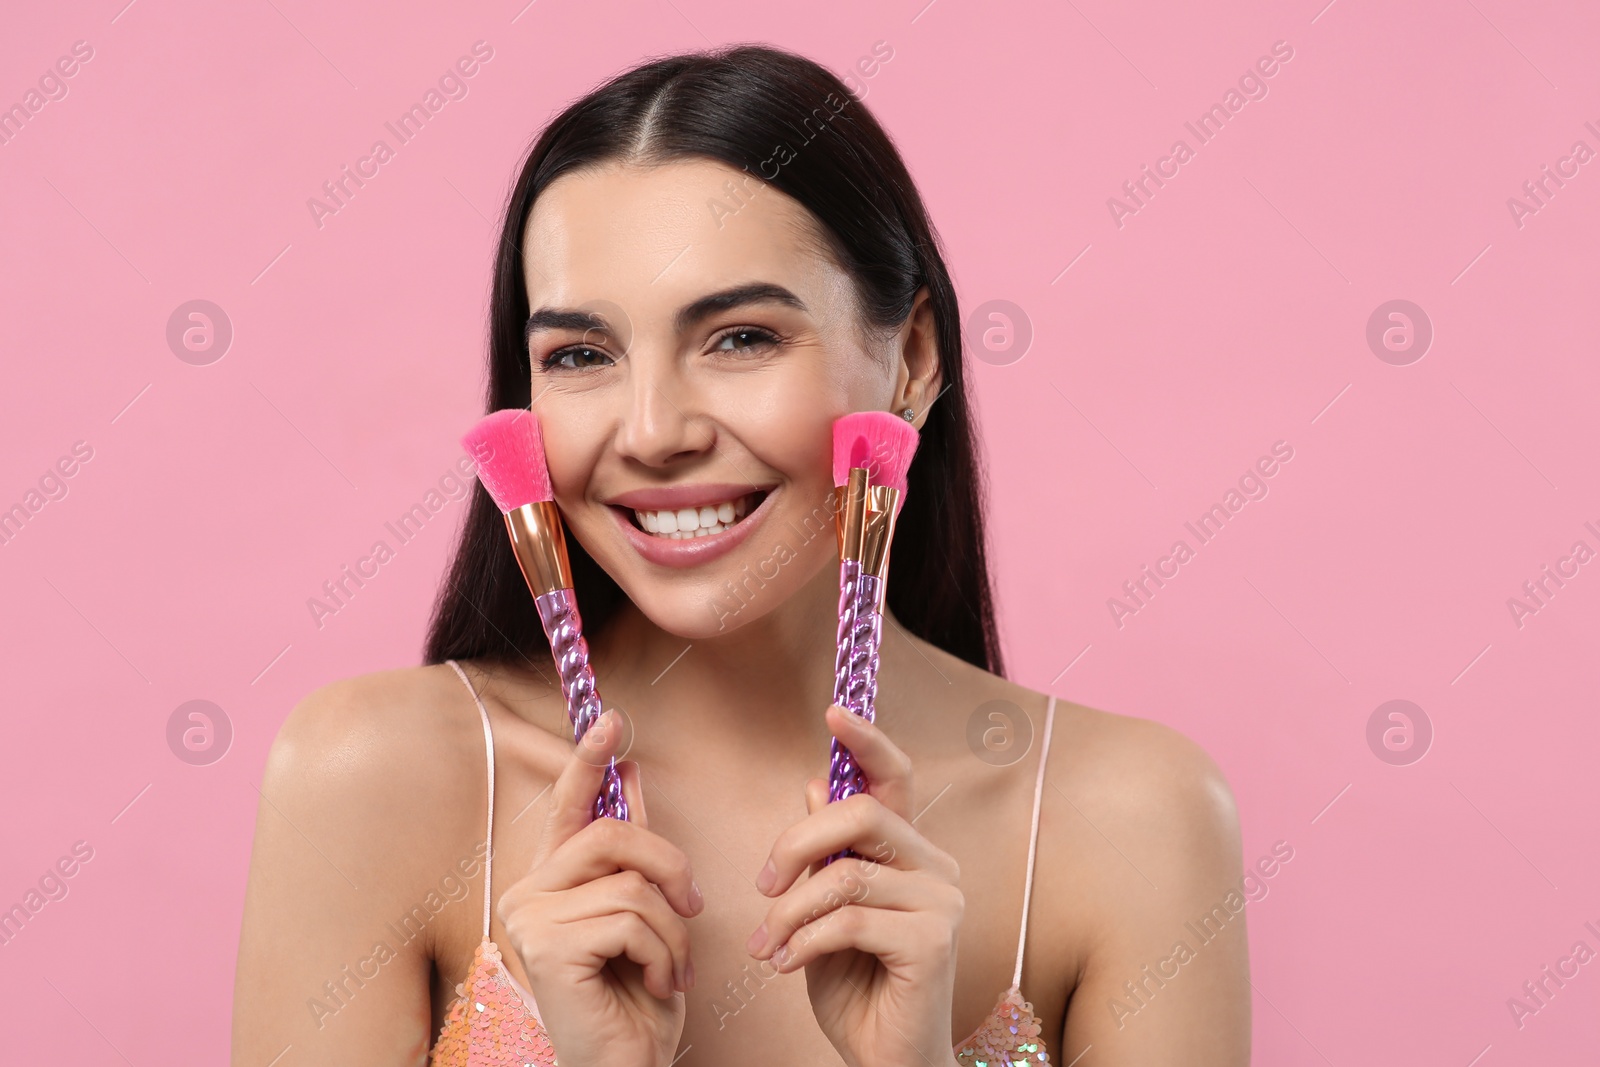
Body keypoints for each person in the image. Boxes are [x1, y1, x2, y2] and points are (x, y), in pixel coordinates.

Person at [232, 42, 1250, 1067]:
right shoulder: (371, 779)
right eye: (580, 356)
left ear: (913, 359)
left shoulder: (1131, 821)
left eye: (740, 337)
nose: (651, 430)